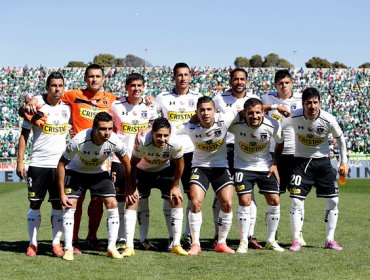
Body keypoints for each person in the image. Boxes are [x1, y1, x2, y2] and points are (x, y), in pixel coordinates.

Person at [57, 112, 132, 261]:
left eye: (110, 129)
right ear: (94, 129)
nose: (107, 133)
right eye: (103, 129)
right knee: (71, 204)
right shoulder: (78, 140)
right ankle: (68, 248)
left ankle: (111, 247)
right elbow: (61, 164)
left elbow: (127, 162)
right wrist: (61, 193)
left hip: (98, 172)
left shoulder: (114, 140)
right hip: (76, 171)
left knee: (112, 203)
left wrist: (130, 187)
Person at [148, 62, 203, 250]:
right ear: (174, 77)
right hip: (168, 154)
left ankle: (186, 234)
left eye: (186, 74)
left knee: (190, 195)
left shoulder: (198, 99)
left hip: (192, 153)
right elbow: (152, 119)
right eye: (179, 75)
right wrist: (148, 100)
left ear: (190, 77)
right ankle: (173, 237)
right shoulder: (162, 98)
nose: (183, 78)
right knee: (169, 196)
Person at [285, 87, 347, 251]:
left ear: (319, 102)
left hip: (323, 163)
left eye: (315, 102)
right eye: (308, 103)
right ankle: (296, 239)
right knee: (296, 201)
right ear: (303, 104)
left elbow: (341, 140)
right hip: (301, 163)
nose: (312, 106)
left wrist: (343, 162)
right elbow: (279, 129)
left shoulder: (328, 119)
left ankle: (329, 239)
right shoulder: (294, 116)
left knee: (333, 201)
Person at [16, 72, 71, 257]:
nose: (57, 89)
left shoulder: (68, 109)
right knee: (35, 203)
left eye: (60, 85)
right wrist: (20, 161)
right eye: (53, 85)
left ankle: (56, 243)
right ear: (47, 87)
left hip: (60, 166)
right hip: (38, 164)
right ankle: (33, 244)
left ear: (64, 88)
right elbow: (24, 136)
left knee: (58, 206)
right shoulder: (36, 107)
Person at [174, 96, 237, 255]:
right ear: (196, 112)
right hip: (199, 168)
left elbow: (247, 111)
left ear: (215, 111)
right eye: (202, 110)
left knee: (228, 203)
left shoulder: (225, 119)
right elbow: (168, 129)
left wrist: (273, 108)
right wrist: (146, 129)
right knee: (195, 203)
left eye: (209, 109)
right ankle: (195, 244)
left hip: (220, 167)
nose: (205, 113)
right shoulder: (190, 126)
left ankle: (221, 243)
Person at [212, 68, 263, 249]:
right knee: (221, 194)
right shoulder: (219, 98)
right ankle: (217, 235)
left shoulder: (255, 98)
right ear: (230, 81)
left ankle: (250, 235)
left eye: (242, 79)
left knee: (249, 195)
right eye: (235, 79)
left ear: (247, 81)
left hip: (246, 150)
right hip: (223, 149)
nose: (239, 82)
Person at [229, 98, 284, 253]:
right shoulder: (235, 124)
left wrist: (274, 164)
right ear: (244, 113)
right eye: (250, 113)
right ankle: (243, 241)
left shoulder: (272, 124)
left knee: (275, 201)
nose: (254, 116)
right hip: (242, 167)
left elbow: (280, 142)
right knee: (245, 202)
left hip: (265, 167)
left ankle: (271, 240)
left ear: (263, 113)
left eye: (258, 112)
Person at [109, 73, 156, 251]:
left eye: (139, 85)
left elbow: (155, 126)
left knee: (141, 199)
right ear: (127, 87)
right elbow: (108, 127)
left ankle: (143, 239)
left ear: (144, 87)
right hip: (119, 159)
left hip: (142, 160)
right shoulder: (116, 105)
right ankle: (121, 238)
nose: (136, 89)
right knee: (120, 200)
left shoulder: (150, 106)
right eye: (132, 85)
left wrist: (146, 127)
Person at [128, 117, 188, 256]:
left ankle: (176, 243)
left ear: (170, 134)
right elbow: (132, 164)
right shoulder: (142, 141)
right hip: (143, 171)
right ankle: (132, 244)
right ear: (152, 133)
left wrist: (175, 186)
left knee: (176, 199)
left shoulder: (175, 143)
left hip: (164, 170)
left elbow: (180, 165)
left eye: (166, 135)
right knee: (134, 200)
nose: (162, 139)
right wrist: (132, 187)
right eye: (158, 135)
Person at [261, 69, 306, 246]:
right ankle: (273, 235)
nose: (283, 86)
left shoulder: (301, 99)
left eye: (286, 82)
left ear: (292, 83)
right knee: (274, 198)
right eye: (280, 83)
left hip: (297, 154)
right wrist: (274, 107)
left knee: (297, 198)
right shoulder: (268, 98)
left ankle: (298, 234)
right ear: (275, 85)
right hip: (274, 156)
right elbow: (254, 107)